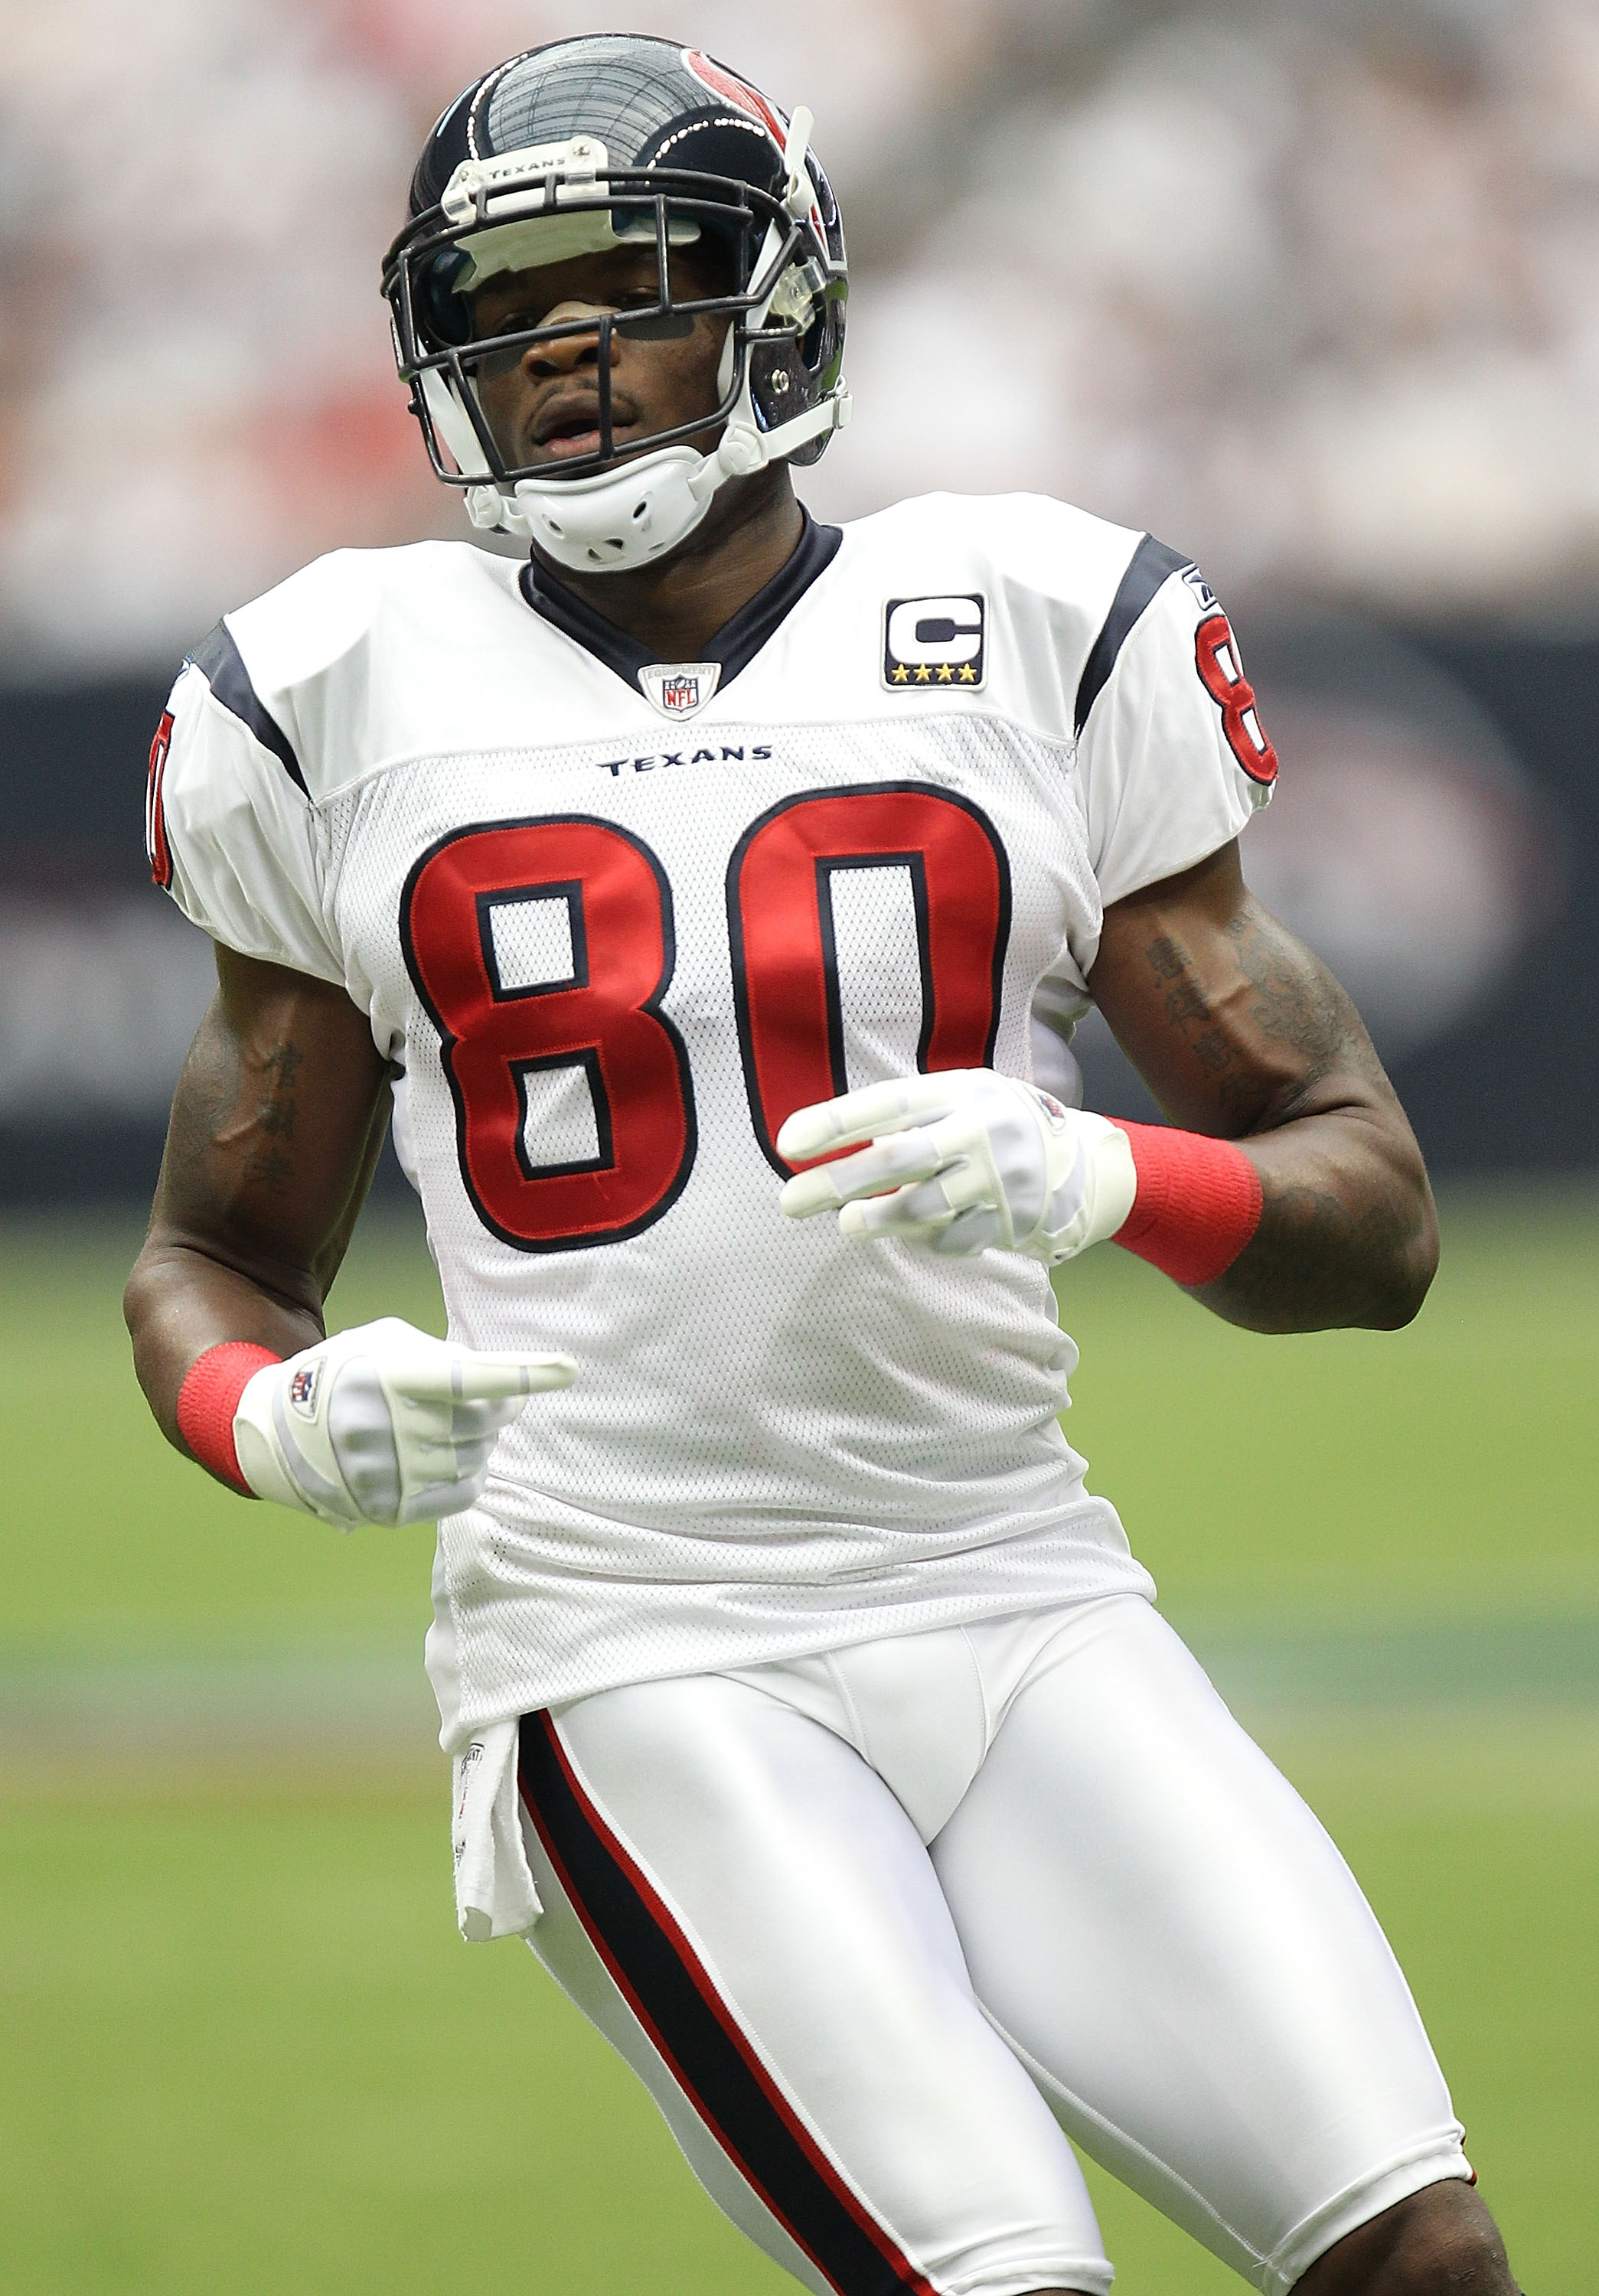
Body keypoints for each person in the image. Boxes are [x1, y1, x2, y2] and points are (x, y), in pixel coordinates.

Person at [125, 33, 1519, 2296]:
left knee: (1418, 2260)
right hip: (637, 1644)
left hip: (1025, 1592)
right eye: (503, 317)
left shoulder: (1046, 625)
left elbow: (1369, 1224)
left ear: (777, 300)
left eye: (632, 284)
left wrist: (1103, 1178)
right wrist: (266, 1416)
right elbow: (209, 1252)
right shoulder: (328, 689)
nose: (563, 359)